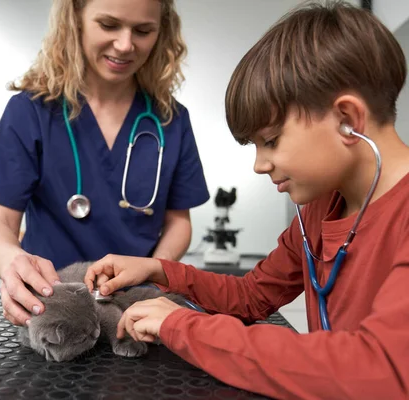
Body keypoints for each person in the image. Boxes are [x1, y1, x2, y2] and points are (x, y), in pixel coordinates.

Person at [84, 2, 409, 398]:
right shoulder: (320, 211)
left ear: (347, 118)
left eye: (270, 141)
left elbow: (379, 371)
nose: (259, 164)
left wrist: (182, 326)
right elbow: (251, 297)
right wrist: (158, 269)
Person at [0, 0, 209, 327]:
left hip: (135, 310)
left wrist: (155, 273)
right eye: (109, 25)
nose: (126, 45)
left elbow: (178, 222)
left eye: (143, 31)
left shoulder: (170, 119)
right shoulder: (31, 111)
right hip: (53, 307)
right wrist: (14, 266)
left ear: (162, 31)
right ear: (75, 21)